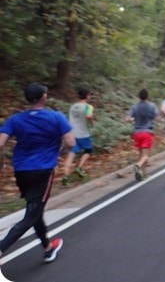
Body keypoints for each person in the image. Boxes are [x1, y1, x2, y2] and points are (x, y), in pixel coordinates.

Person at [0, 83, 75, 263]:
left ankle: (48, 247)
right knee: (32, 214)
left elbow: (0, 143)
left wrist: (1, 164)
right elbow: (71, 142)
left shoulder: (15, 119)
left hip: (21, 171)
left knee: (36, 210)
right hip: (43, 171)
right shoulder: (56, 117)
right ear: (44, 97)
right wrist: (61, 151)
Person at [62, 88, 95, 185]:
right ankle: (79, 167)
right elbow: (89, 116)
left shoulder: (72, 106)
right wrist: (92, 122)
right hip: (83, 133)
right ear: (88, 96)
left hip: (72, 133)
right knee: (88, 151)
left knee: (71, 155)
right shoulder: (88, 106)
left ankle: (65, 176)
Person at [125, 88, 159, 181]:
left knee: (141, 155)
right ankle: (138, 165)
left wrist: (133, 119)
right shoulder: (152, 106)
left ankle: (144, 173)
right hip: (147, 132)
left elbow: (127, 119)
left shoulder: (134, 107)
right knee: (145, 155)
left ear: (139, 97)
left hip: (137, 133)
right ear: (148, 96)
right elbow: (157, 117)